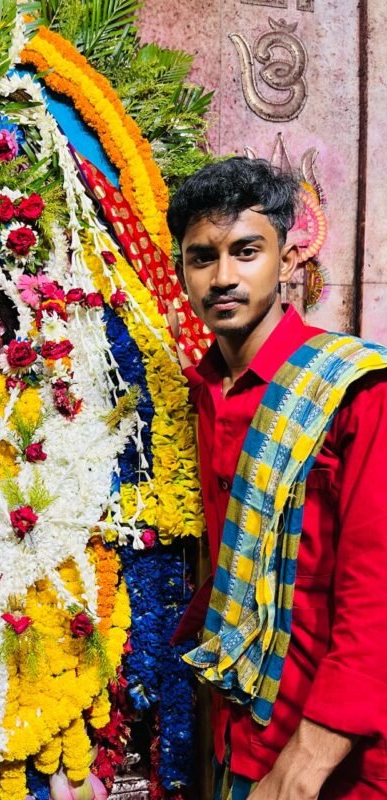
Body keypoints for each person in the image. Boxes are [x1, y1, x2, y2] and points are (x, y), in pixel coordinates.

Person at [166, 157, 387, 800]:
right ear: (182, 271)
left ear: (288, 260)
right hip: (241, 738)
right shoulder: (205, 393)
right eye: (202, 257)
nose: (224, 276)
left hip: (337, 761)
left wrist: (304, 764)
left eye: (246, 251)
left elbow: (376, 596)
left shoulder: (354, 391)